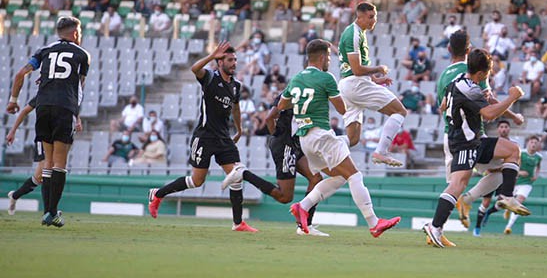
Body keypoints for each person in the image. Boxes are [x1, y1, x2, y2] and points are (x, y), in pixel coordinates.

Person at [270, 39, 401, 237]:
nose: (330, 61)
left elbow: (281, 106)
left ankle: (303, 206)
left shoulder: (296, 79)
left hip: (305, 140)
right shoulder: (326, 78)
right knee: (355, 176)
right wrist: (361, 100)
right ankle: (374, 223)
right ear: (322, 57)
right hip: (321, 135)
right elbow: (342, 109)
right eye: (329, 57)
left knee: (340, 177)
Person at [148, 41, 279, 232]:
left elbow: (235, 107)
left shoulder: (236, 86)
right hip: (204, 136)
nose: (234, 63)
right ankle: (158, 193)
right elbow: (195, 68)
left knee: (235, 176)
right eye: (230, 60)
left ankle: (237, 223)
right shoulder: (210, 77)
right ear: (220, 62)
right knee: (197, 181)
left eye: (235, 60)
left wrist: (239, 128)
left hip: (224, 138)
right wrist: (211, 55)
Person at [423, 49, 529, 249]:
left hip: (474, 139)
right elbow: (489, 115)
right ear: (481, 74)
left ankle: (506, 196)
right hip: (464, 142)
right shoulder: (469, 87)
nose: (488, 77)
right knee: (457, 185)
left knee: (512, 151)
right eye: (488, 73)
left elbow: (443, 104)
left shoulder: (459, 81)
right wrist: (512, 98)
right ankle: (435, 227)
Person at [6, 17, 90, 228]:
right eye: (79, 31)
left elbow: (20, 73)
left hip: (42, 107)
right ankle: (52, 212)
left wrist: (13, 100)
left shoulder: (44, 51)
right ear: (75, 34)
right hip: (64, 107)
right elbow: (79, 88)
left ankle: (47, 213)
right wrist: (76, 114)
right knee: (60, 163)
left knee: (48, 163)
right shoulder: (82, 55)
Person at [337, 2, 407, 167]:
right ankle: (381, 152)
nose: (374, 20)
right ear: (359, 17)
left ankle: (323, 145)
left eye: (375, 16)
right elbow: (356, 69)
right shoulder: (353, 34)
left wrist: (375, 79)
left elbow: (353, 69)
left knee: (353, 139)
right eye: (370, 17)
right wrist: (379, 68)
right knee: (400, 111)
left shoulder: (357, 32)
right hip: (356, 85)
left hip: (348, 86)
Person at [6, 94, 81, 216]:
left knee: (39, 177)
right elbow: (25, 111)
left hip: (53, 133)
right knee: (46, 168)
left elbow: (72, 106)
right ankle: (49, 211)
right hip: (43, 137)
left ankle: (15, 196)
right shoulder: (44, 95)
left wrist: (77, 119)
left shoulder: (62, 93)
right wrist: (13, 130)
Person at [262, 94, 327, 236]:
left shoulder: (308, 98)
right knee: (285, 196)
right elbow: (269, 118)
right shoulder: (288, 95)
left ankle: (305, 225)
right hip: (285, 145)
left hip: (296, 146)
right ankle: (245, 175)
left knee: (316, 178)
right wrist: (279, 139)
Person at [503, 136, 541, 235]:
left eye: (535, 143)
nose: (533, 144)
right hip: (516, 181)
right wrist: (520, 172)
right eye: (532, 142)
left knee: (519, 201)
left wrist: (536, 175)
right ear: (528, 143)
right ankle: (509, 208)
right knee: (510, 200)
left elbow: (538, 167)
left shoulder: (539, 157)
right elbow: (513, 165)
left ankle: (508, 227)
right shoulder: (521, 153)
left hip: (527, 183)